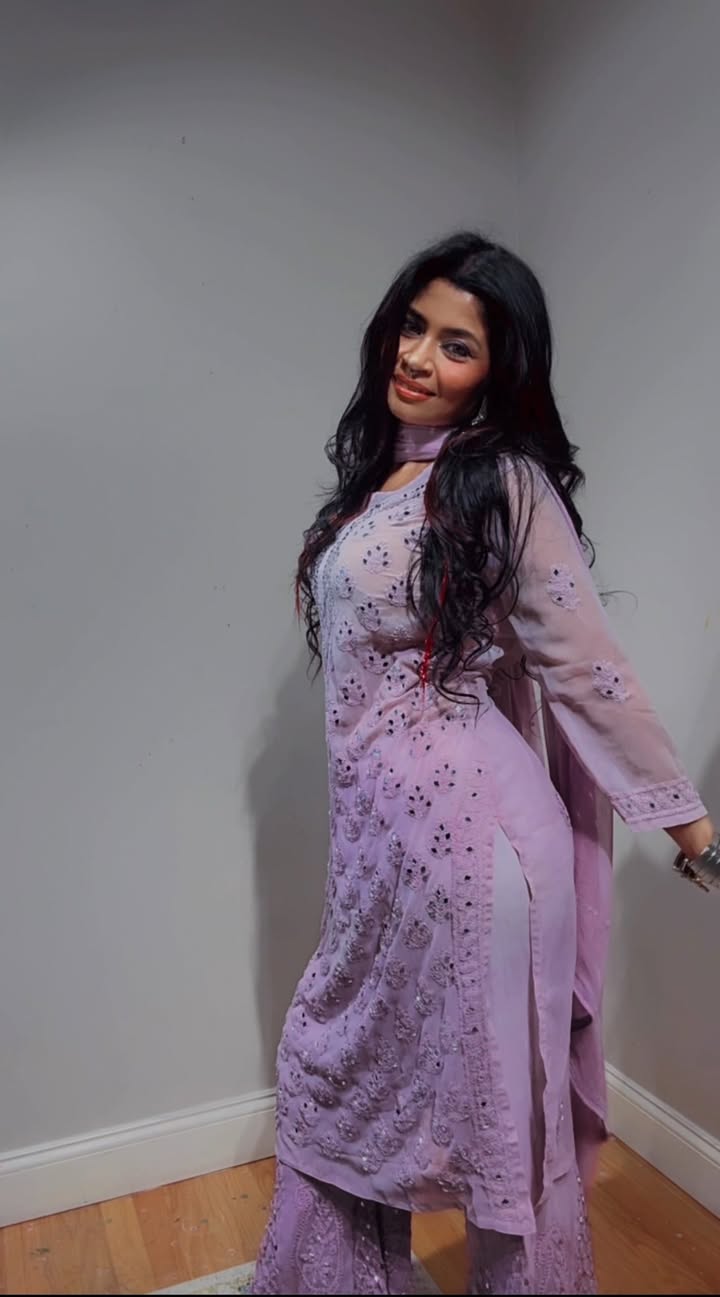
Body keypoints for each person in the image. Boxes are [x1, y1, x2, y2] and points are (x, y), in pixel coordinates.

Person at [250, 231, 718, 1295]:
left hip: (480, 849)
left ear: (497, 375)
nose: (418, 356)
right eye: (413, 327)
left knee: (500, 1117)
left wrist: (698, 836)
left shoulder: (500, 481)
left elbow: (585, 668)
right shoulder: (380, 480)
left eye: (455, 345)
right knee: (340, 1074)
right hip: (380, 854)